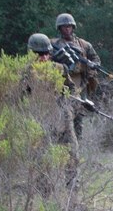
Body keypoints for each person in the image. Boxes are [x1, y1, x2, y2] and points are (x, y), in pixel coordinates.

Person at [26, 32, 79, 184]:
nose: (43, 57)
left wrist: (66, 100)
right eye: (38, 54)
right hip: (40, 120)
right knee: (42, 158)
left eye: (46, 53)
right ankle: (44, 190)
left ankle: (72, 187)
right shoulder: (26, 73)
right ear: (31, 54)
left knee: (71, 153)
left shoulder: (60, 69)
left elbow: (71, 89)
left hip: (62, 118)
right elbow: (20, 96)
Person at [50, 12, 102, 138]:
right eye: (64, 27)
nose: (67, 29)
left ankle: (77, 139)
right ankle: (61, 139)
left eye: (69, 26)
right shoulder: (53, 44)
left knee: (79, 112)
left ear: (73, 27)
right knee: (61, 112)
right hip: (61, 82)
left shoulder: (84, 45)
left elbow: (96, 60)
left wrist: (93, 65)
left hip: (80, 82)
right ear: (59, 28)